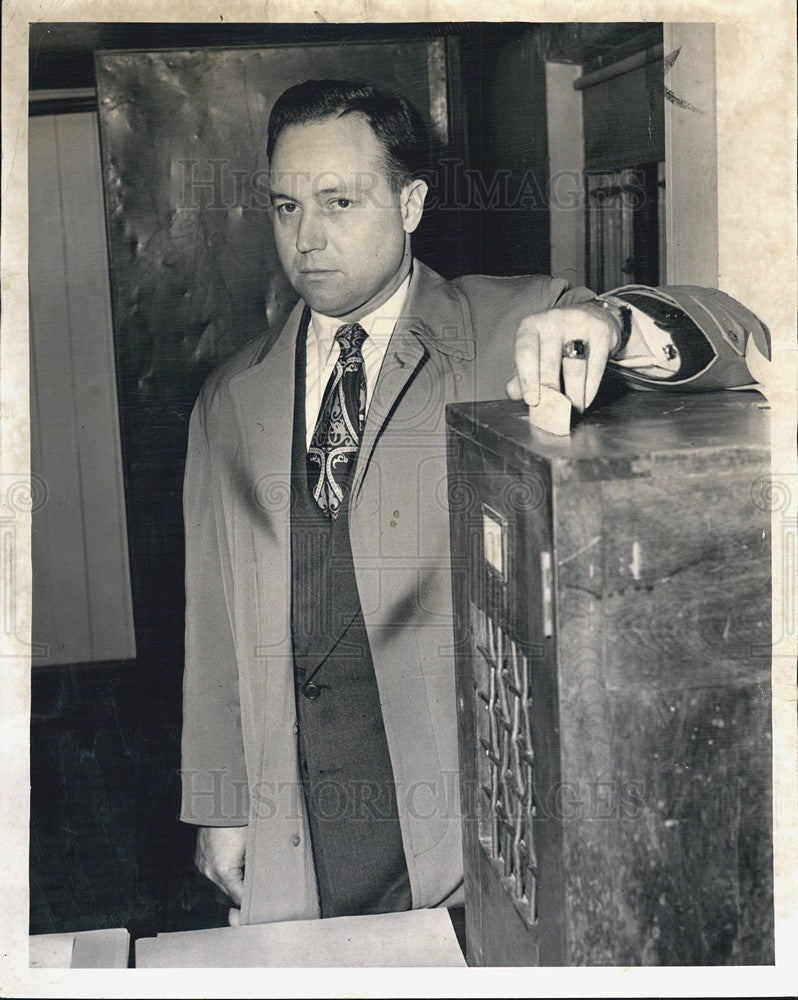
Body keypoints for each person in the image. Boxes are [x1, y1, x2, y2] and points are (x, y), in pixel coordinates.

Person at [179, 79, 765, 927]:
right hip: (299, 826)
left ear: (412, 202)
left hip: (467, 831)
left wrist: (614, 326)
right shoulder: (230, 398)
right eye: (285, 206)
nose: (306, 237)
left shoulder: (515, 326)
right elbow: (213, 622)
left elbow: (732, 342)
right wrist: (220, 802)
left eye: (339, 202)